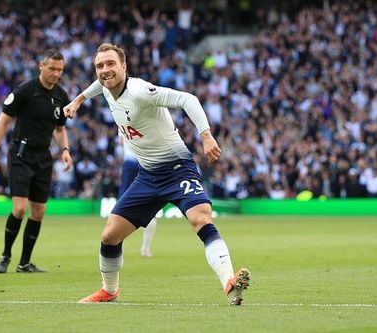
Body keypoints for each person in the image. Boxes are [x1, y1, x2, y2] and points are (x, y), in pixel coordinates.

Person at [64, 43, 250, 305]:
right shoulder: (107, 89)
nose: (105, 70)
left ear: (124, 67)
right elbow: (99, 85)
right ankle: (109, 290)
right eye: (99, 66)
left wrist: (206, 135)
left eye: (110, 64)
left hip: (177, 169)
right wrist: (79, 99)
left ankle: (229, 282)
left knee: (201, 218)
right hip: (148, 175)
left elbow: (188, 99)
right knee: (109, 236)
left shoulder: (140, 91)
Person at [0, 49, 73, 273]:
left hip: (43, 158)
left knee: (38, 212)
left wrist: (65, 149)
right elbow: (2, 122)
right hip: (20, 155)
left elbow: (60, 128)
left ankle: (24, 263)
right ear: (41, 66)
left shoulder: (61, 96)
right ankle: (5, 255)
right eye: (52, 68)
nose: (56, 74)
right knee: (20, 208)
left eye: (60, 70)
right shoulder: (25, 90)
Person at [119, 136, 157, 257]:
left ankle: (116, 246)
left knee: (122, 208)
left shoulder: (121, 119)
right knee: (152, 206)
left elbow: (121, 142)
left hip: (131, 165)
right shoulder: (147, 120)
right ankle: (145, 248)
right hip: (146, 164)